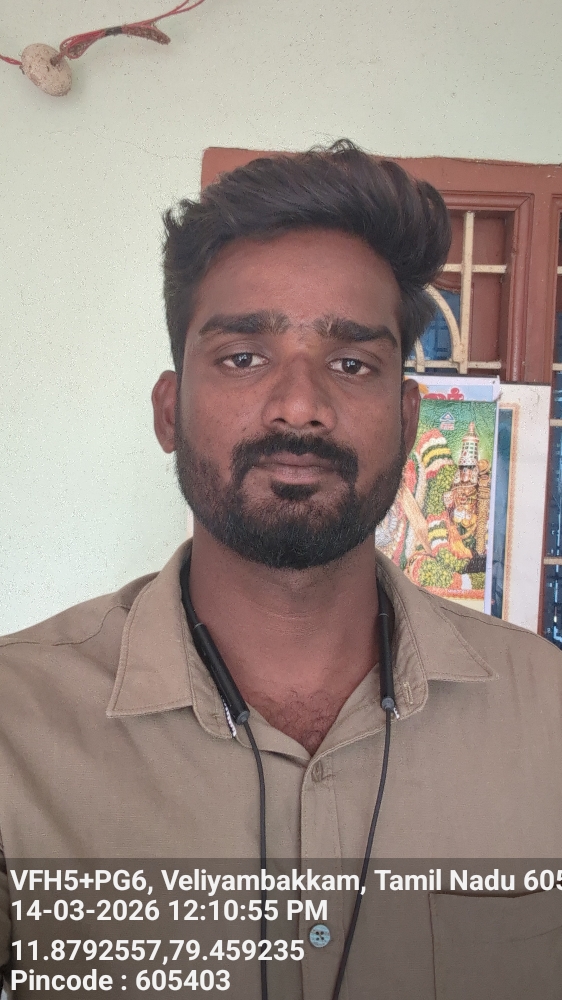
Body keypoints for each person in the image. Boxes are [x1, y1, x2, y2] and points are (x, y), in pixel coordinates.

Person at [1, 140, 562, 999]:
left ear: (409, 419)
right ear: (168, 411)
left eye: (352, 363)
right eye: (243, 356)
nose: (301, 405)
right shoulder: (17, 725)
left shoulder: (547, 718)